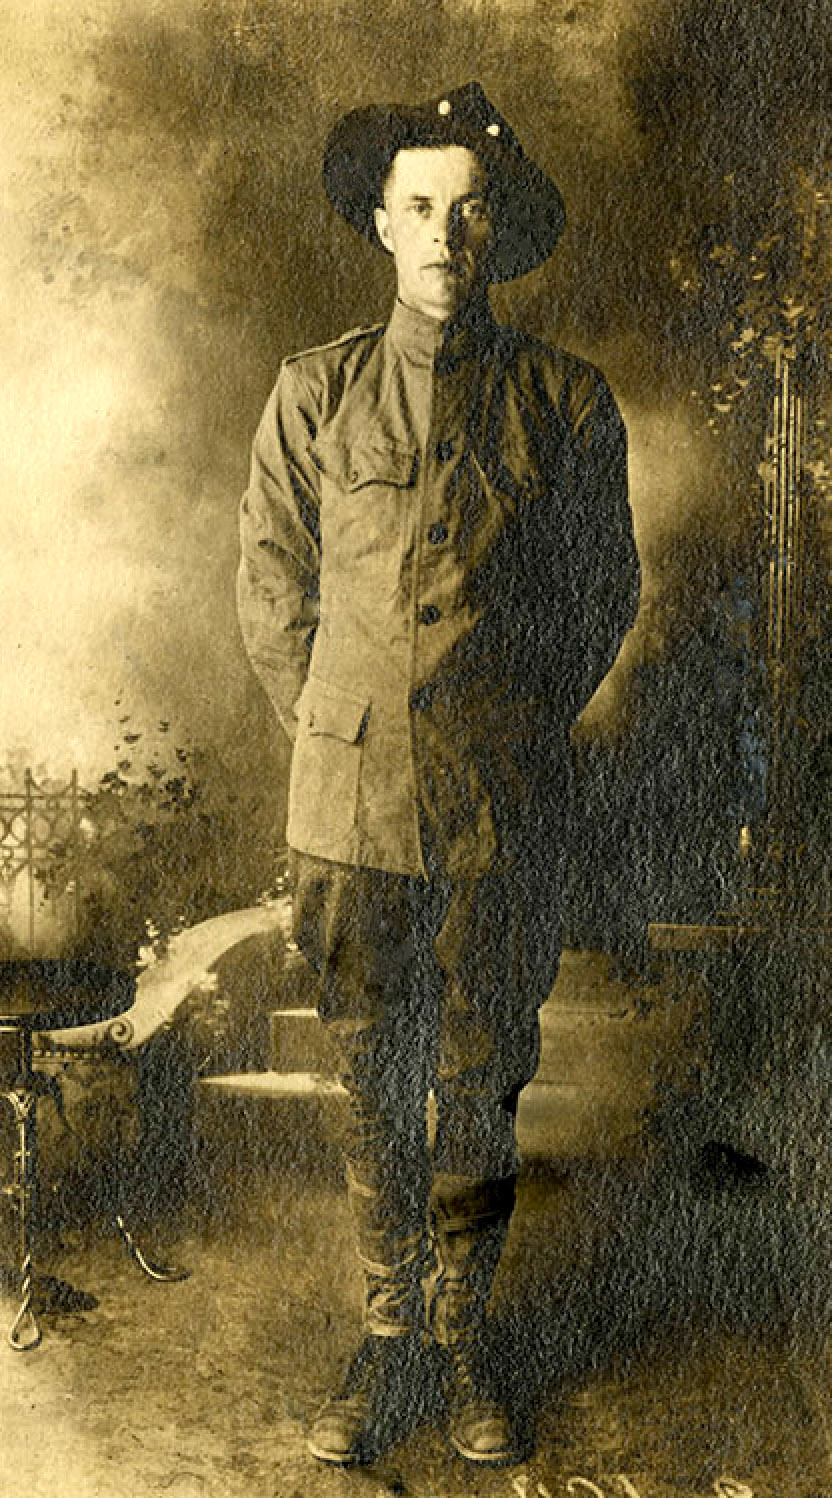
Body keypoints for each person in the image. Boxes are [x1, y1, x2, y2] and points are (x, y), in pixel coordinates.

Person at [237, 81, 640, 1468]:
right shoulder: (315, 391)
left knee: (476, 1075)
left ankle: (461, 1338)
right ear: (380, 222)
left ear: (496, 229)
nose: (444, 236)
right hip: (345, 811)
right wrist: (340, 729)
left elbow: (598, 594)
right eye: (420, 207)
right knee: (372, 1074)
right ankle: (387, 1333)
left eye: (469, 211)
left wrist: (504, 727)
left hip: (497, 809)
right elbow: (272, 589)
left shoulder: (562, 401)